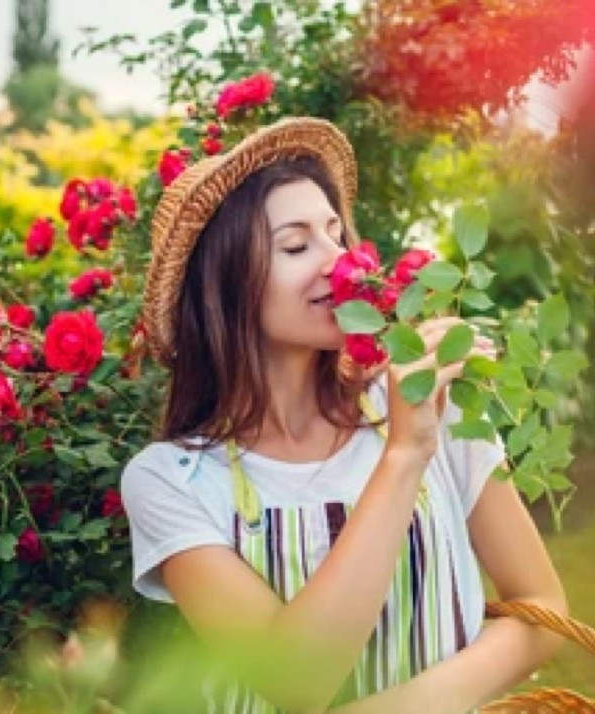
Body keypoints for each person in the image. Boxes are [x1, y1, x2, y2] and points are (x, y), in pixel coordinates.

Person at [121, 118, 567, 713]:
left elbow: (542, 608)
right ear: (224, 288)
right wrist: (405, 455)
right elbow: (294, 682)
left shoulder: (429, 398)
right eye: (297, 246)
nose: (340, 262)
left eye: (335, 234)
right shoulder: (170, 480)